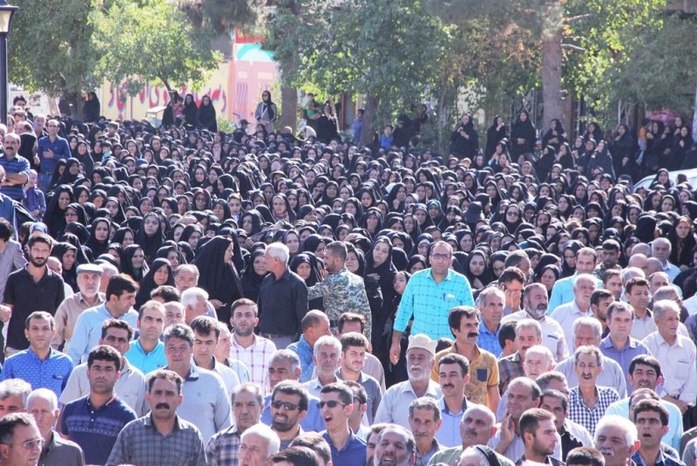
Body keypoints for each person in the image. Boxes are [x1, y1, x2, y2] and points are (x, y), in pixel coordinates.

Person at [391, 241, 474, 361]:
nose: (440, 260)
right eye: (436, 256)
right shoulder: (416, 279)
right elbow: (403, 312)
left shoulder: (461, 282)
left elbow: (470, 318)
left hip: (450, 349)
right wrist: (395, 342)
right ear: (429, 259)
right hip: (419, 347)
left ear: (451, 261)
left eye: (445, 256)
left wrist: (468, 348)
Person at [106, 369, 208, 466]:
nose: (163, 400)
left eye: (169, 394)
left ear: (179, 399)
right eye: (158, 393)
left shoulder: (191, 435)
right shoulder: (131, 432)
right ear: (148, 396)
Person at [59, 345, 137, 465]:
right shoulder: (71, 409)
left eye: (108, 369)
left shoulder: (127, 416)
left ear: (117, 375)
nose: (102, 374)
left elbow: (131, 460)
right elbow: (63, 451)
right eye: (97, 368)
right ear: (88, 373)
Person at [60, 319, 147, 415]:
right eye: (111, 339)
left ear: (128, 346)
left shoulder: (138, 378)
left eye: (121, 340)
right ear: (101, 342)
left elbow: (139, 416)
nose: (115, 344)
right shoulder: (80, 372)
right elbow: (65, 412)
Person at [162, 323, 232, 442]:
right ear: (164, 350)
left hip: (204, 453)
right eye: (171, 348)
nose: (177, 353)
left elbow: (225, 429)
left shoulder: (212, 381)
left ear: (192, 349)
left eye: (183, 348)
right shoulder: (152, 382)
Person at [2, 233, 65, 355]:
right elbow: (8, 312)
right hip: (17, 345)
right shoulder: (14, 279)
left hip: (46, 346)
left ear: (50, 251)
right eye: (36, 250)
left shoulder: (57, 281)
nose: (40, 255)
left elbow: (59, 315)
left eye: (44, 250)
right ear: (28, 249)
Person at [604, 355, 682, 451]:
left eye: (650, 373)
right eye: (639, 373)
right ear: (630, 378)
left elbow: (676, 450)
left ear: (659, 380)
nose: (644, 378)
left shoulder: (673, 411)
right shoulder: (615, 410)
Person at [432, 306, 499, 411]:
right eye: (468, 325)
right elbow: (434, 393)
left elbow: (494, 398)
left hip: (478, 418)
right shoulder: (439, 359)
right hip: (447, 417)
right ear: (455, 330)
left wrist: (493, 419)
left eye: (476, 324)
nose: (474, 329)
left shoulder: (489, 360)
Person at [66, 273, 139, 365]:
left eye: (134, 297)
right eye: (129, 298)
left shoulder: (135, 318)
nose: (133, 302)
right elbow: (74, 354)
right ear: (114, 298)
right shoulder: (88, 317)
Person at [307, 241, 372, 339]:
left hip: (337, 333)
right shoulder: (358, 279)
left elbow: (307, 294)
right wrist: (367, 338)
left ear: (337, 260)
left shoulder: (333, 281)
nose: (324, 261)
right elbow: (366, 311)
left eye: (327, 258)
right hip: (356, 333)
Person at [376, 334, 442, 429]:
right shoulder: (393, 394)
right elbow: (379, 431)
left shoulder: (442, 395)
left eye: (420, 358)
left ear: (432, 363)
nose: (415, 362)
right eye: (412, 357)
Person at [1, 312, 73, 398]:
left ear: (53, 333)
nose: (40, 333)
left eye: (45, 328)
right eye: (35, 329)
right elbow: (3, 397)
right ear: (27, 333)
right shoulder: (12, 363)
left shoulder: (65, 362)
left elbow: (70, 397)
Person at [429, 404, 515, 466]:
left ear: (492, 431)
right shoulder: (440, 458)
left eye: (479, 423)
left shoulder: (504, 464)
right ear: (461, 426)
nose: (471, 426)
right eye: (468, 420)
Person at [258, 242, 309, 349]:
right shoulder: (267, 280)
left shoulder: (297, 284)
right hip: (263, 339)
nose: (263, 260)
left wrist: (296, 344)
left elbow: (302, 317)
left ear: (276, 260)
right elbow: (260, 309)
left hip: (285, 341)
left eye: (266, 257)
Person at [501, 283, 568, 362]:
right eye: (538, 297)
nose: (543, 301)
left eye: (545, 298)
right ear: (526, 301)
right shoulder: (510, 321)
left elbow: (563, 358)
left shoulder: (554, 326)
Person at [206, 382, 264, 466]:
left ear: (261, 408)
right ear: (232, 408)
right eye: (238, 405)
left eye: (250, 405)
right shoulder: (217, 443)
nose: (244, 411)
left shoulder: (272, 440)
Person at [566, 346, 620, 435]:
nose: (586, 371)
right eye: (582, 365)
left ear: (600, 369)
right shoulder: (567, 398)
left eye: (591, 365)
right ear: (575, 368)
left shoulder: (611, 397)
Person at [52, 263, 104, 351]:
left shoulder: (107, 302)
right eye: (86, 277)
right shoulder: (69, 303)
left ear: (100, 281)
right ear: (78, 281)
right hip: (74, 354)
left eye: (94, 277)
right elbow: (55, 336)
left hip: (102, 355)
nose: (90, 282)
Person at [229, 298, 277, 392]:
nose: (243, 319)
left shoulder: (268, 347)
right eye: (238, 315)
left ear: (256, 321)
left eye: (248, 315)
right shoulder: (222, 346)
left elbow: (273, 382)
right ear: (231, 321)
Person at [26, 388, 84, 466]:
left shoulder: (71, 452)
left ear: (56, 415)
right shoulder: (15, 451)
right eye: (34, 411)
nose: (39, 418)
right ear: (25, 414)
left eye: (44, 411)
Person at [336, 332, 382, 423]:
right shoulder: (331, 382)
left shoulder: (372, 385)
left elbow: (380, 419)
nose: (359, 359)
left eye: (362, 354)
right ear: (342, 355)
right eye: (353, 354)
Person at [190, 315, 240, 395]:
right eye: (198, 342)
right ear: (190, 341)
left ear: (217, 342)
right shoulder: (177, 373)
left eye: (209, 343)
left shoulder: (229, 376)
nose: (203, 349)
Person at [319, 382, 367, 464]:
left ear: (348, 409)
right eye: (321, 404)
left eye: (331, 404)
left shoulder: (364, 451)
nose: (324, 409)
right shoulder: (312, 447)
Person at [631, 399, 684, 466]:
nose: (646, 426)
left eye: (652, 421)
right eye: (641, 421)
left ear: (665, 430)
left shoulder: (675, 465)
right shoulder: (623, 463)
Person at [123, 300, 167, 374]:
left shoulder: (169, 354)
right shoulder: (124, 351)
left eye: (159, 320)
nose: (153, 324)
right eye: (149, 319)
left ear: (163, 325)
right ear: (138, 323)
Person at [287, 310, 331, 383]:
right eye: (325, 330)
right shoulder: (293, 351)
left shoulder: (331, 349)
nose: (329, 334)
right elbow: (304, 380)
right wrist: (320, 351)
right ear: (311, 331)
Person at [268, 381, 309, 449]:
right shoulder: (256, 441)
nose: (281, 411)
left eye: (289, 406)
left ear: (302, 414)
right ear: (271, 408)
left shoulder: (310, 447)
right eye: (277, 404)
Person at [36, 119, 71, 191]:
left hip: (58, 176)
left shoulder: (63, 142)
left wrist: (54, 156)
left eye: (54, 126)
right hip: (43, 176)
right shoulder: (42, 141)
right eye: (50, 126)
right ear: (47, 128)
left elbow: (68, 158)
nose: (52, 128)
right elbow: (38, 156)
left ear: (58, 128)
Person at [408, 397, 443, 464]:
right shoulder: (400, 455)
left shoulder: (447, 458)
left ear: (438, 424)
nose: (421, 429)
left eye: (427, 422)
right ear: (410, 421)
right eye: (417, 421)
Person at [0, 133, 30, 202]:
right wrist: (13, 180)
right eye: (7, 142)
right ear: (3, 144)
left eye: (13, 143)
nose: (9, 145)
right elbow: (18, 179)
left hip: (16, 201)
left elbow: (23, 179)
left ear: (19, 145)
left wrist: (2, 175)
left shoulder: (23, 162)